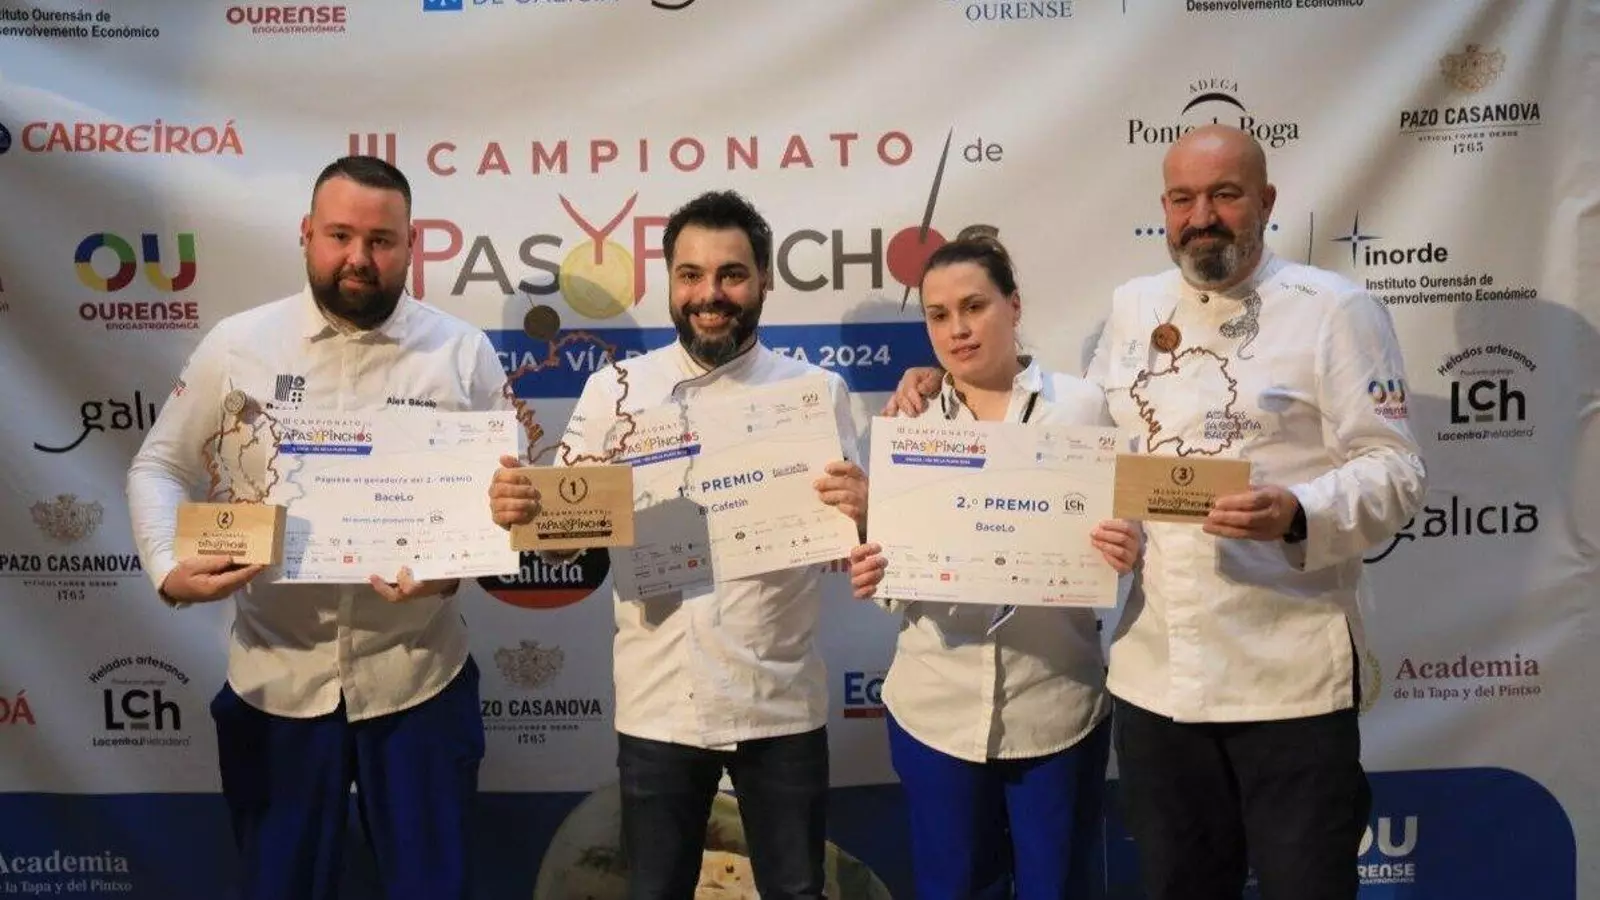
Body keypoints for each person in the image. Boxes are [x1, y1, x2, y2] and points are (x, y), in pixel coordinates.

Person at [877, 124, 1427, 900]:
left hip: (1288, 682)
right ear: (1164, 208)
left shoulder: (1335, 309)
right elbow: (1079, 446)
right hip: (1156, 682)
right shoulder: (1134, 307)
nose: (1202, 216)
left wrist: (1297, 509)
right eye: (1182, 199)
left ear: (1266, 201)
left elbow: (1396, 470)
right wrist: (940, 384)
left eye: (1225, 195)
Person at [127, 156, 506, 900]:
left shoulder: (461, 355)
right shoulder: (239, 344)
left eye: (381, 240)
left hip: (419, 680)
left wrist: (453, 567)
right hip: (277, 680)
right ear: (307, 234)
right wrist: (167, 566)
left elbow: (495, 509)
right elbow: (158, 465)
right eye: (340, 235)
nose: (359, 257)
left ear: (410, 245)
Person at [489, 190, 869, 900]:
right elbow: (568, 547)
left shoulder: (817, 393)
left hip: (779, 700)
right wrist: (529, 515)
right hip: (659, 701)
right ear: (671, 282)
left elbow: (848, 541)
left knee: (796, 892)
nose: (710, 295)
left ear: (764, 281)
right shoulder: (615, 392)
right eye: (691, 275)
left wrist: (864, 513)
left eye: (732, 275)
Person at [844, 229, 1139, 900]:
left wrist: (1127, 548)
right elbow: (895, 578)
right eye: (938, 315)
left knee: (1058, 889)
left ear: (1014, 305)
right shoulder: (909, 424)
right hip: (935, 710)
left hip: (1056, 706)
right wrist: (874, 567)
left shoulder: (1080, 408)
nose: (957, 329)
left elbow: (1123, 540)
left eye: (974, 307)